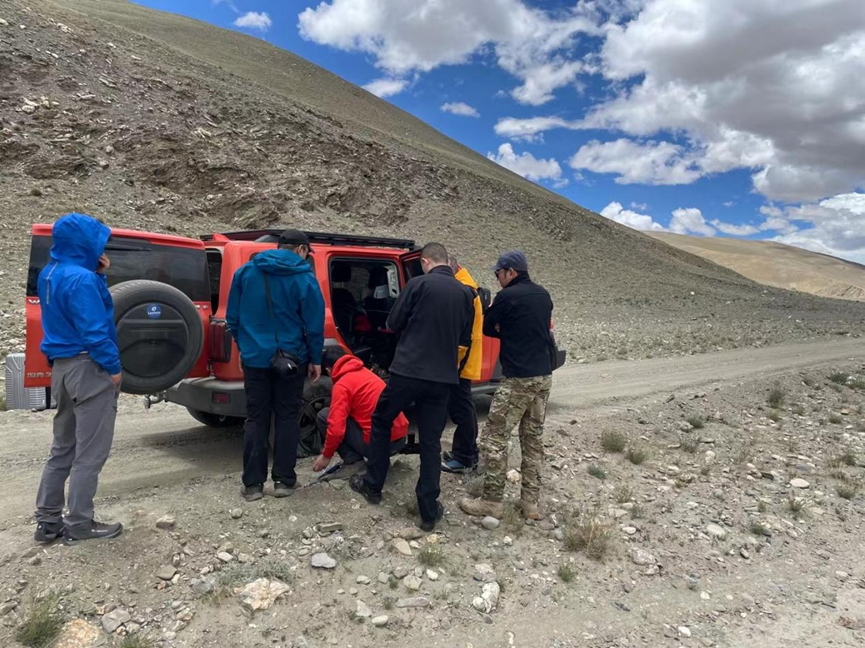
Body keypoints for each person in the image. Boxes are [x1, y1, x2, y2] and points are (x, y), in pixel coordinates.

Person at [350, 242, 475, 532]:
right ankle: (428, 512)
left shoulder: (418, 284)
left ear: (425, 262)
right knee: (431, 441)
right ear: (448, 262)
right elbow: (464, 340)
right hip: (442, 378)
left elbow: (393, 322)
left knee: (382, 420)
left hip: (408, 372)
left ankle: (373, 486)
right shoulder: (466, 294)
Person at [34, 213, 124, 544]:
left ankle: (48, 522)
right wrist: (113, 368)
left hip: (62, 368)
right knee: (90, 453)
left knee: (63, 447)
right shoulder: (82, 279)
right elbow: (95, 330)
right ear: (85, 243)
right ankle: (80, 524)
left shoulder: (49, 273)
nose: (101, 248)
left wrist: (98, 275)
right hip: (88, 368)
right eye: (97, 242)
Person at [226, 229, 325, 502]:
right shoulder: (305, 278)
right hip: (291, 360)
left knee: (256, 419)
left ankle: (253, 486)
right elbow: (314, 324)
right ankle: (284, 481)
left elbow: (233, 318)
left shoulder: (246, 273)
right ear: (302, 250)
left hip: (255, 359)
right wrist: (315, 359)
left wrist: (245, 347)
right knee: (287, 417)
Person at [459, 250, 554, 521]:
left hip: (518, 378)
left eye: (498, 273)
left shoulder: (507, 296)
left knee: (495, 438)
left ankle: (491, 502)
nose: (497, 278)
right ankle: (530, 503)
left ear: (511, 272)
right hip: (543, 376)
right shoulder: (543, 295)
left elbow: (488, 327)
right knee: (533, 440)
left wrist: (506, 328)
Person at [312, 348, 408, 472]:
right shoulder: (366, 372)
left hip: (381, 445)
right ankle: (380, 460)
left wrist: (326, 455)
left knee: (324, 415)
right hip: (400, 439)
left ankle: (353, 462)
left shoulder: (342, 385)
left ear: (328, 370)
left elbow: (336, 430)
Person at [441, 254, 483, 474]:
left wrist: (454, 362)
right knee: (464, 406)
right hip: (463, 359)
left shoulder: (464, 291)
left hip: (461, 361)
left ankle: (465, 457)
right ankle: (467, 452)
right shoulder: (466, 286)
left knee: (462, 408)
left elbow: (463, 336)